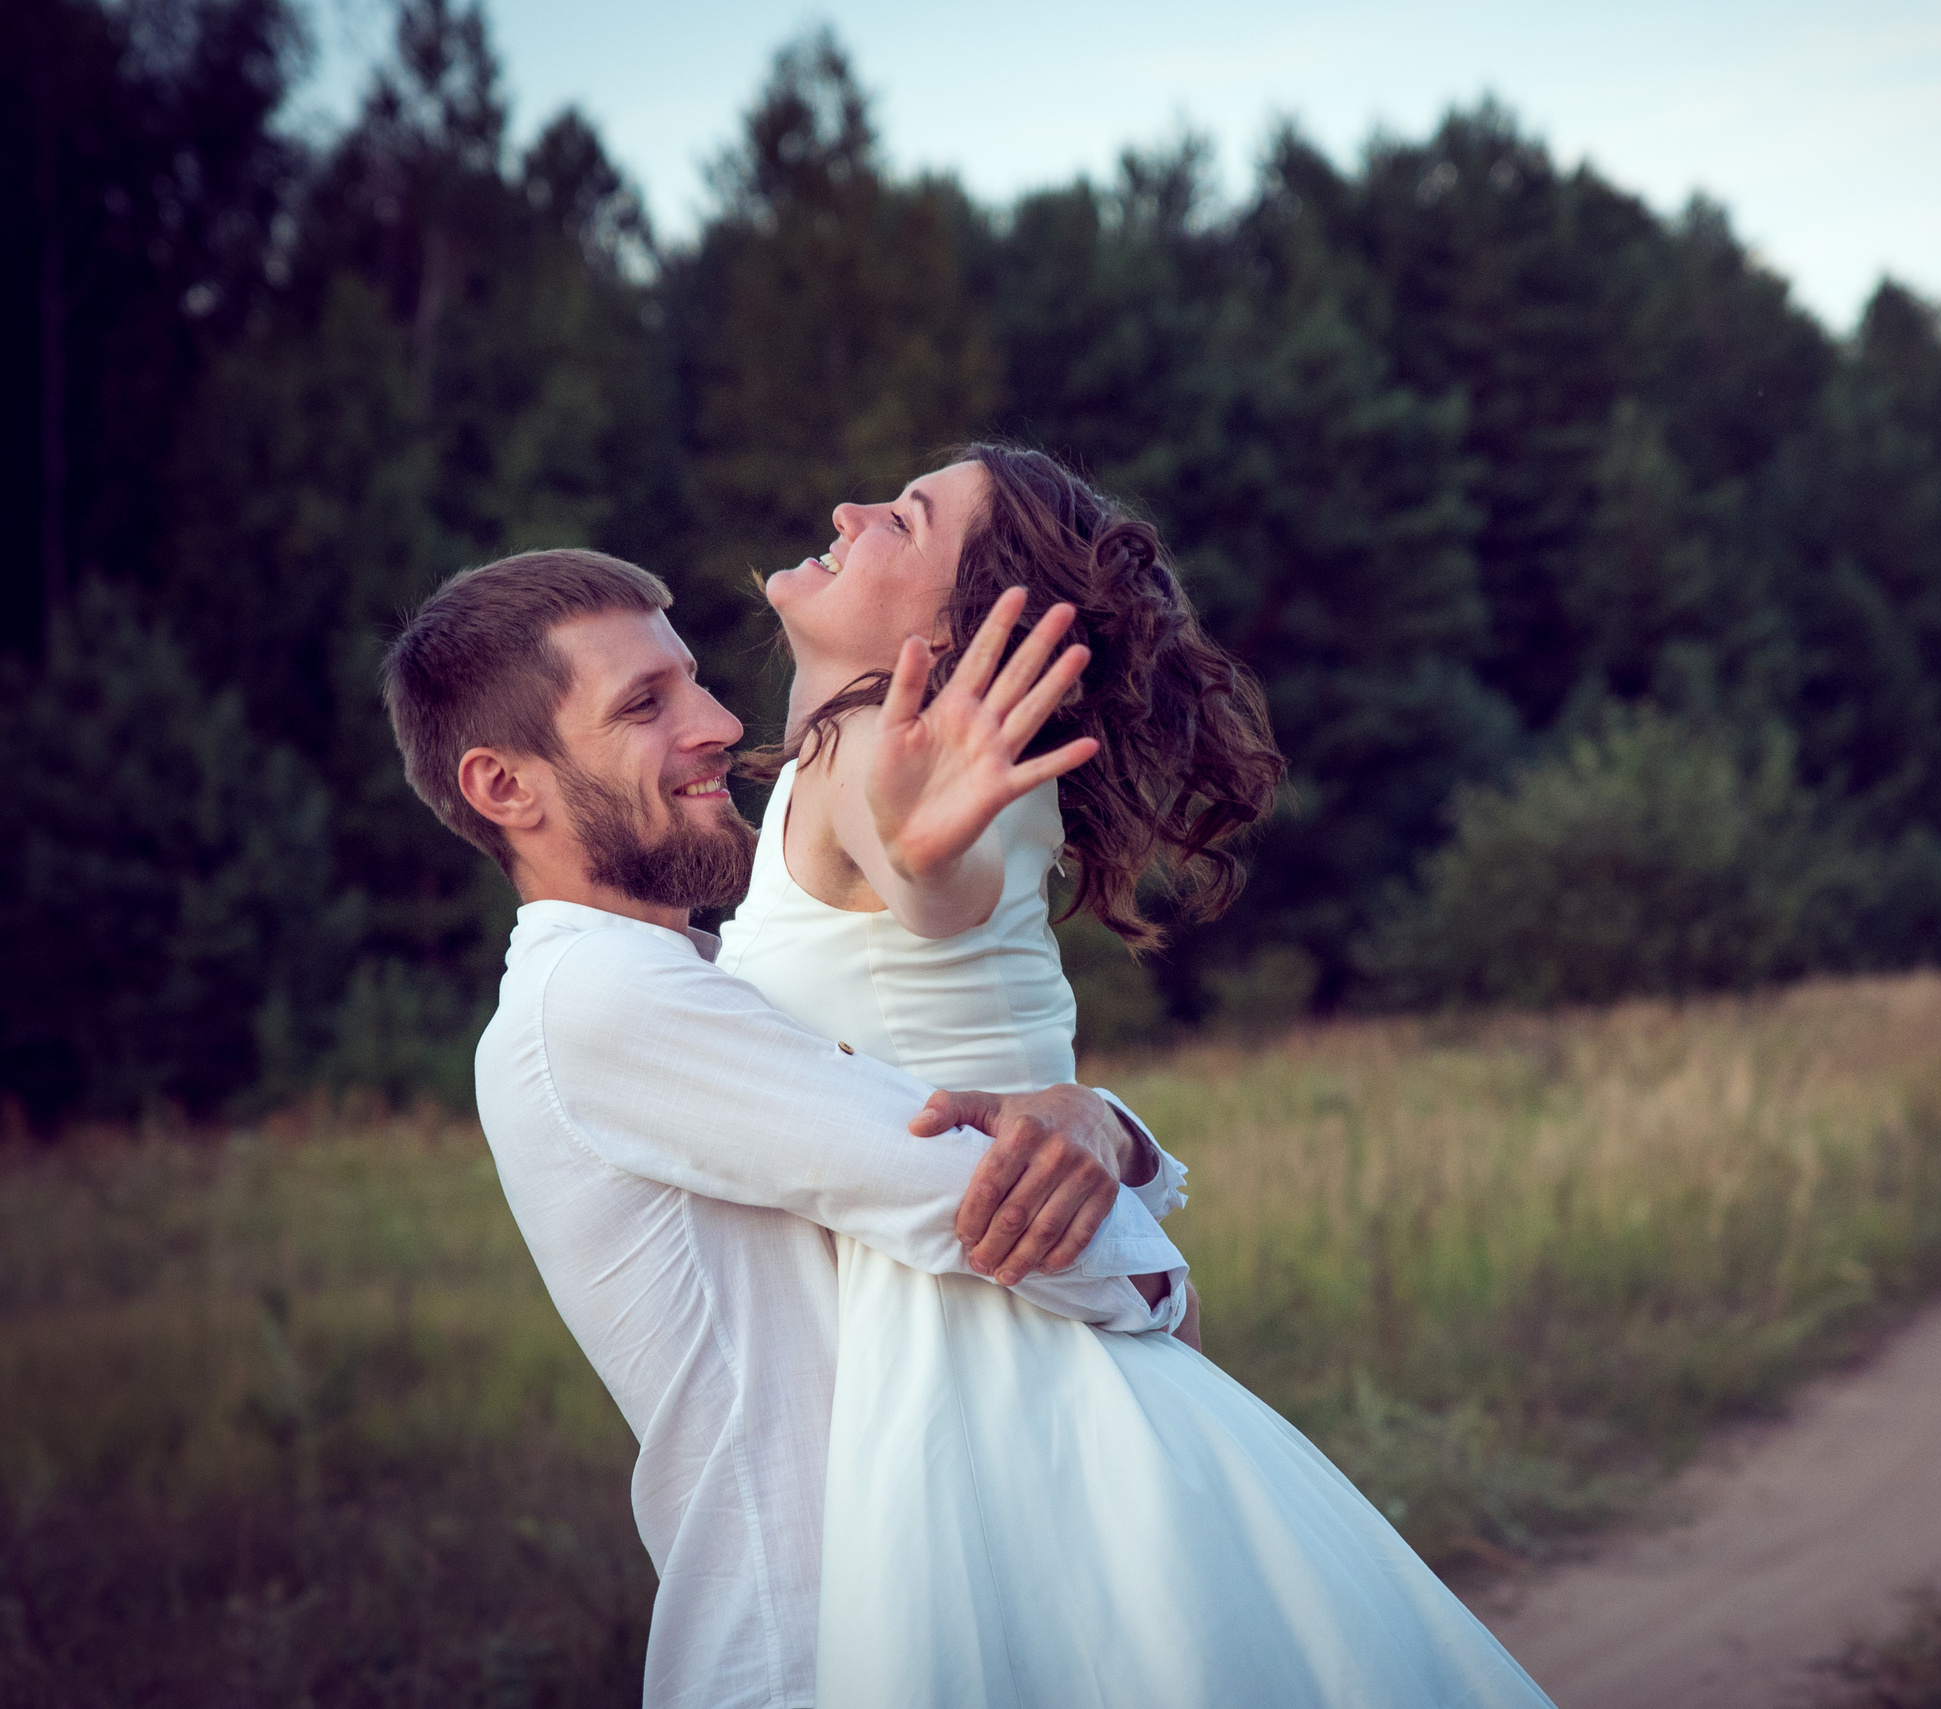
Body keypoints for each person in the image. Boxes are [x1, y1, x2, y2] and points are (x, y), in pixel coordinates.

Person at [721, 443, 1552, 1709]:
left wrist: (916, 848)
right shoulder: (850, 781)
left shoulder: (880, 781)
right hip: (1002, 1326)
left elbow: (931, 891)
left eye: (900, 517)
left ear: (961, 637)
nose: (845, 509)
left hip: (987, 1371)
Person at [384, 549, 1192, 1709]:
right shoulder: (599, 999)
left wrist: (1094, 1126)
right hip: (808, 1647)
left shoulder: (701, 976)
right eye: (643, 704)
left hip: (939, 1599)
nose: (719, 722)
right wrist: (1159, 1289)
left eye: (697, 680)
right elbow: (973, 1205)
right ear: (507, 787)